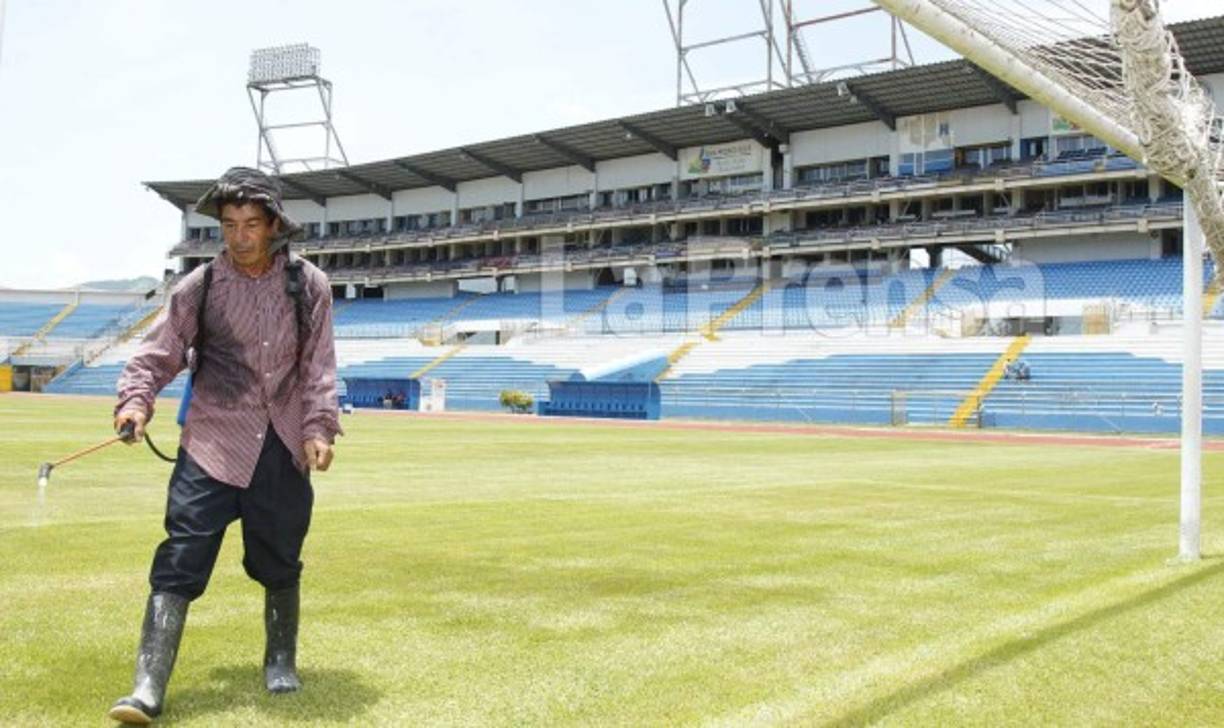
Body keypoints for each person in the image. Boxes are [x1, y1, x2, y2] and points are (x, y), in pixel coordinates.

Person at [108, 167, 342, 724]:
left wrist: (318, 428)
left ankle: (280, 660)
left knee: (279, 559)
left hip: (281, 446)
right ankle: (147, 685)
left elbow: (319, 367)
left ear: (274, 225)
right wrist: (135, 401)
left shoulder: (308, 285)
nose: (239, 236)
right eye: (230, 224)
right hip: (211, 444)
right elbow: (158, 352)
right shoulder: (200, 287)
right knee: (180, 558)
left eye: (251, 224)